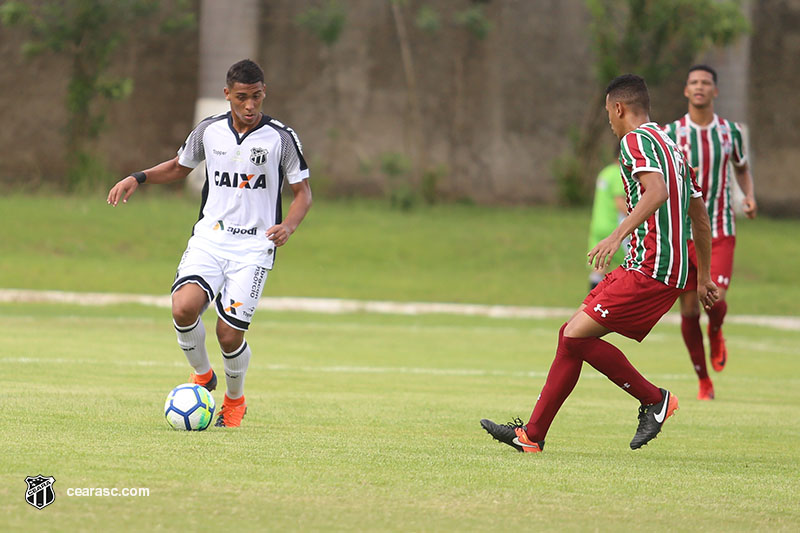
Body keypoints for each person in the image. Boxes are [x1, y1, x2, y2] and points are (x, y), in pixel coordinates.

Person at [481, 74, 719, 452]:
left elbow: (656, 192)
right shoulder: (672, 146)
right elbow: (701, 217)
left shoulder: (634, 141)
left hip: (650, 269)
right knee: (570, 335)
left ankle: (654, 399)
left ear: (619, 108)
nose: (609, 119)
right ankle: (531, 436)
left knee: (576, 335)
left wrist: (616, 235)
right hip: (660, 268)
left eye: (608, 111)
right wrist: (703, 275)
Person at [107, 59, 312, 427]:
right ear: (227, 95)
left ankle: (235, 401)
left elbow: (303, 193)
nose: (250, 106)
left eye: (256, 97)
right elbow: (178, 166)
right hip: (210, 240)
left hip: (253, 249)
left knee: (228, 334)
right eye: (242, 98)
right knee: (183, 308)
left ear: (265, 93)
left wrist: (289, 226)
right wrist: (138, 177)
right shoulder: (209, 131)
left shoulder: (281, 137)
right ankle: (203, 375)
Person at [664, 65, 757, 401]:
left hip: (720, 229)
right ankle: (704, 381)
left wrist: (748, 196)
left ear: (715, 91)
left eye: (706, 82)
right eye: (694, 82)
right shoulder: (670, 133)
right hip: (683, 234)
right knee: (688, 310)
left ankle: (716, 330)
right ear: (686, 91)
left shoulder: (730, 132)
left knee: (713, 299)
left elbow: (742, 168)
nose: (700, 87)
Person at [587, 161, 628, 290]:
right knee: (631, 265)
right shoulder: (618, 174)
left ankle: (591, 304)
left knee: (599, 268)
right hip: (613, 227)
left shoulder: (605, 172)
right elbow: (620, 203)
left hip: (598, 224)